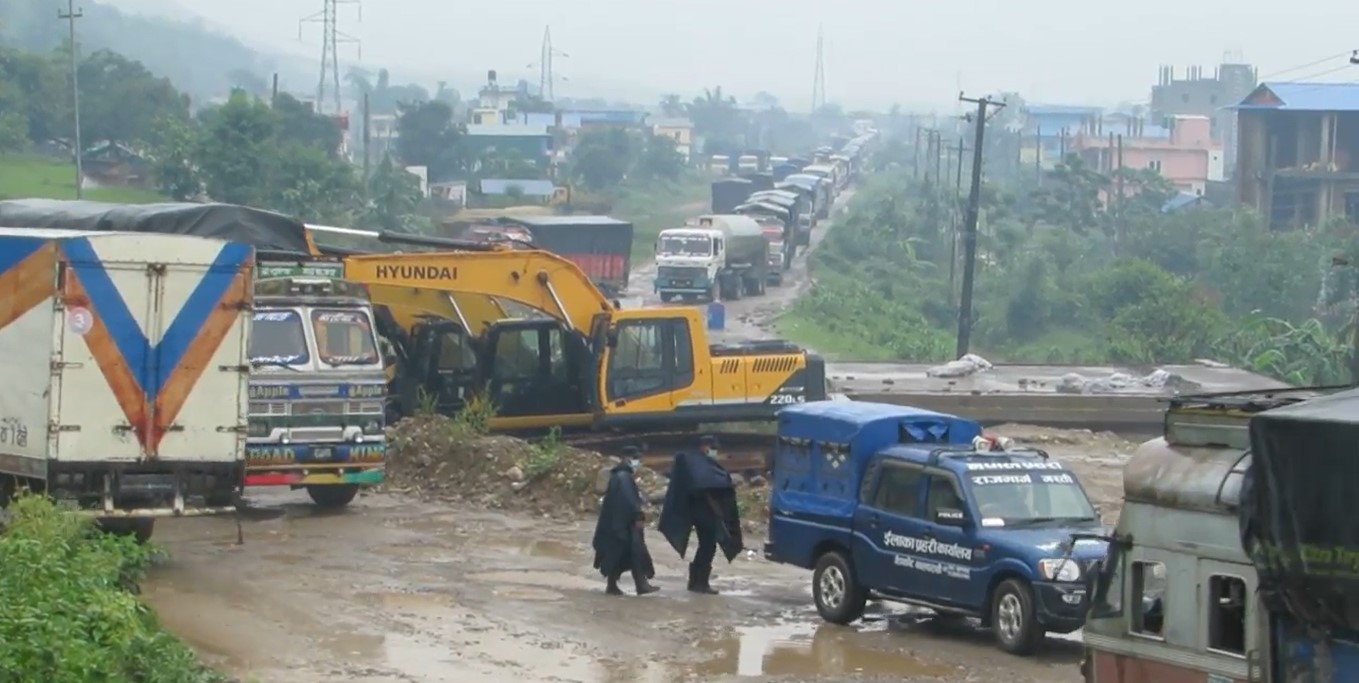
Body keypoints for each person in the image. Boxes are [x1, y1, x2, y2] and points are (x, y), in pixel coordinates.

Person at [658, 435, 744, 595]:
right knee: (708, 546)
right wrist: (724, 483)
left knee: (705, 546)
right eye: (712, 448)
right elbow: (705, 482)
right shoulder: (697, 463)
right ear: (704, 446)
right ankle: (701, 582)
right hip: (703, 513)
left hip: (702, 512)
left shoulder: (698, 462)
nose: (714, 451)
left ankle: (696, 581)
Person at [591, 447, 659, 596]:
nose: (637, 462)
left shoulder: (619, 476)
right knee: (632, 552)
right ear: (626, 458)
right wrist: (638, 516)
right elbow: (629, 500)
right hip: (624, 524)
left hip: (618, 522)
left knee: (623, 553)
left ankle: (625, 585)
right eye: (635, 458)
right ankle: (638, 585)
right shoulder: (623, 477)